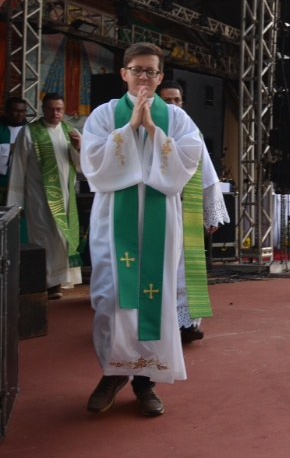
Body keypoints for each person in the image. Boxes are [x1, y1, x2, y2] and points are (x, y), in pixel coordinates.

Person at [80, 42, 203, 417]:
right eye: (137, 70)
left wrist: (151, 129)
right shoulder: (102, 116)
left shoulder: (178, 120)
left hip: (159, 221)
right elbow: (94, 164)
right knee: (109, 296)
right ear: (123, 73)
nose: (144, 78)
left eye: (151, 71)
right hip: (113, 218)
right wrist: (129, 126)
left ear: (161, 75)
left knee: (156, 297)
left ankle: (145, 382)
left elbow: (188, 161)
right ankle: (112, 373)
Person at [156, 81, 230, 343]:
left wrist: (210, 213)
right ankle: (159, 324)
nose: (172, 105)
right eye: (166, 100)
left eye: (176, 100)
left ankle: (188, 324)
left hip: (183, 211)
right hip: (153, 211)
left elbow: (206, 171)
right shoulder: (146, 129)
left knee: (187, 268)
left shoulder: (190, 131)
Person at [7, 93, 82, 300]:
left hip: (66, 198)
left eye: (59, 109)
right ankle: (46, 282)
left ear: (64, 109)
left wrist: (77, 148)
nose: (55, 113)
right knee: (43, 238)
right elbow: (18, 167)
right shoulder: (30, 132)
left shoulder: (70, 132)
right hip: (38, 198)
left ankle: (58, 280)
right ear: (43, 109)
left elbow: (80, 167)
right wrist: (15, 204)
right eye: (50, 109)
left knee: (61, 238)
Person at [0, 96, 28, 205]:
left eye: (23, 111)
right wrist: (8, 149)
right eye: (16, 111)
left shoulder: (30, 130)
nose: (20, 114)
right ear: (6, 111)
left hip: (22, 178)